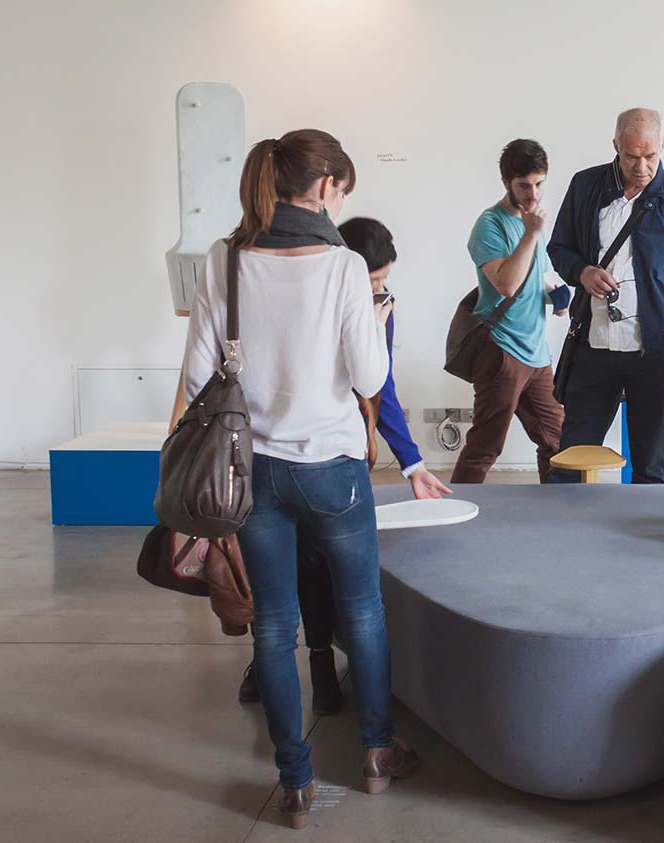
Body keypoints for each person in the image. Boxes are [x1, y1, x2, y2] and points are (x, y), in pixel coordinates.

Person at [181, 129, 419, 828]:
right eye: (341, 187)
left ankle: (294, 781)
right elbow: (370, 377)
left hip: (253, 471)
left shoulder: (223, 260)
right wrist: (375, 321)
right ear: (324, 188)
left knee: (274, 625)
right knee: (365, 609)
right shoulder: (344, 267)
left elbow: (199, 378)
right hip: (334, 470)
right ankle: (377, 753)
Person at [235, 217, 451, 713]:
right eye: (373, 281)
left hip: (334, 454)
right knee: (279, 582)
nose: (381, 292)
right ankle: (282, 670)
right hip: (289, 454)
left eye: (384, 281)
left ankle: (319, 671)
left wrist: (412, 463)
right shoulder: (307, 292)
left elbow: (382, 386)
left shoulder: (378, 307)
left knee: (313, 569)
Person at [547, 108, 664, 483]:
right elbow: (559, 248)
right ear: (615, 147)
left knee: (649, 464)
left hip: (656, 349)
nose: (641, 167)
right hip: (593, 344)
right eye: (631, 156)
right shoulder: (585, 186)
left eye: (650, 156)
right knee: (572, 455)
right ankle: (565, 533)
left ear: (662, 147)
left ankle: (644, 540)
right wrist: (582, 272)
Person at [451, 139, 568, 482]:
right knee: (485, 447)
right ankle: (456, 515)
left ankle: (555, 513)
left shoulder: (534, 225)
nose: (533, 194)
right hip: (501, 351)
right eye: (524, 186)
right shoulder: (490, 225)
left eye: (539, 183)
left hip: (537, 355)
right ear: (506, 183)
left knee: (557, 441)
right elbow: (506, 285)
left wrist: (557, 297)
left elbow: (538, 278)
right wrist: (531, 234)